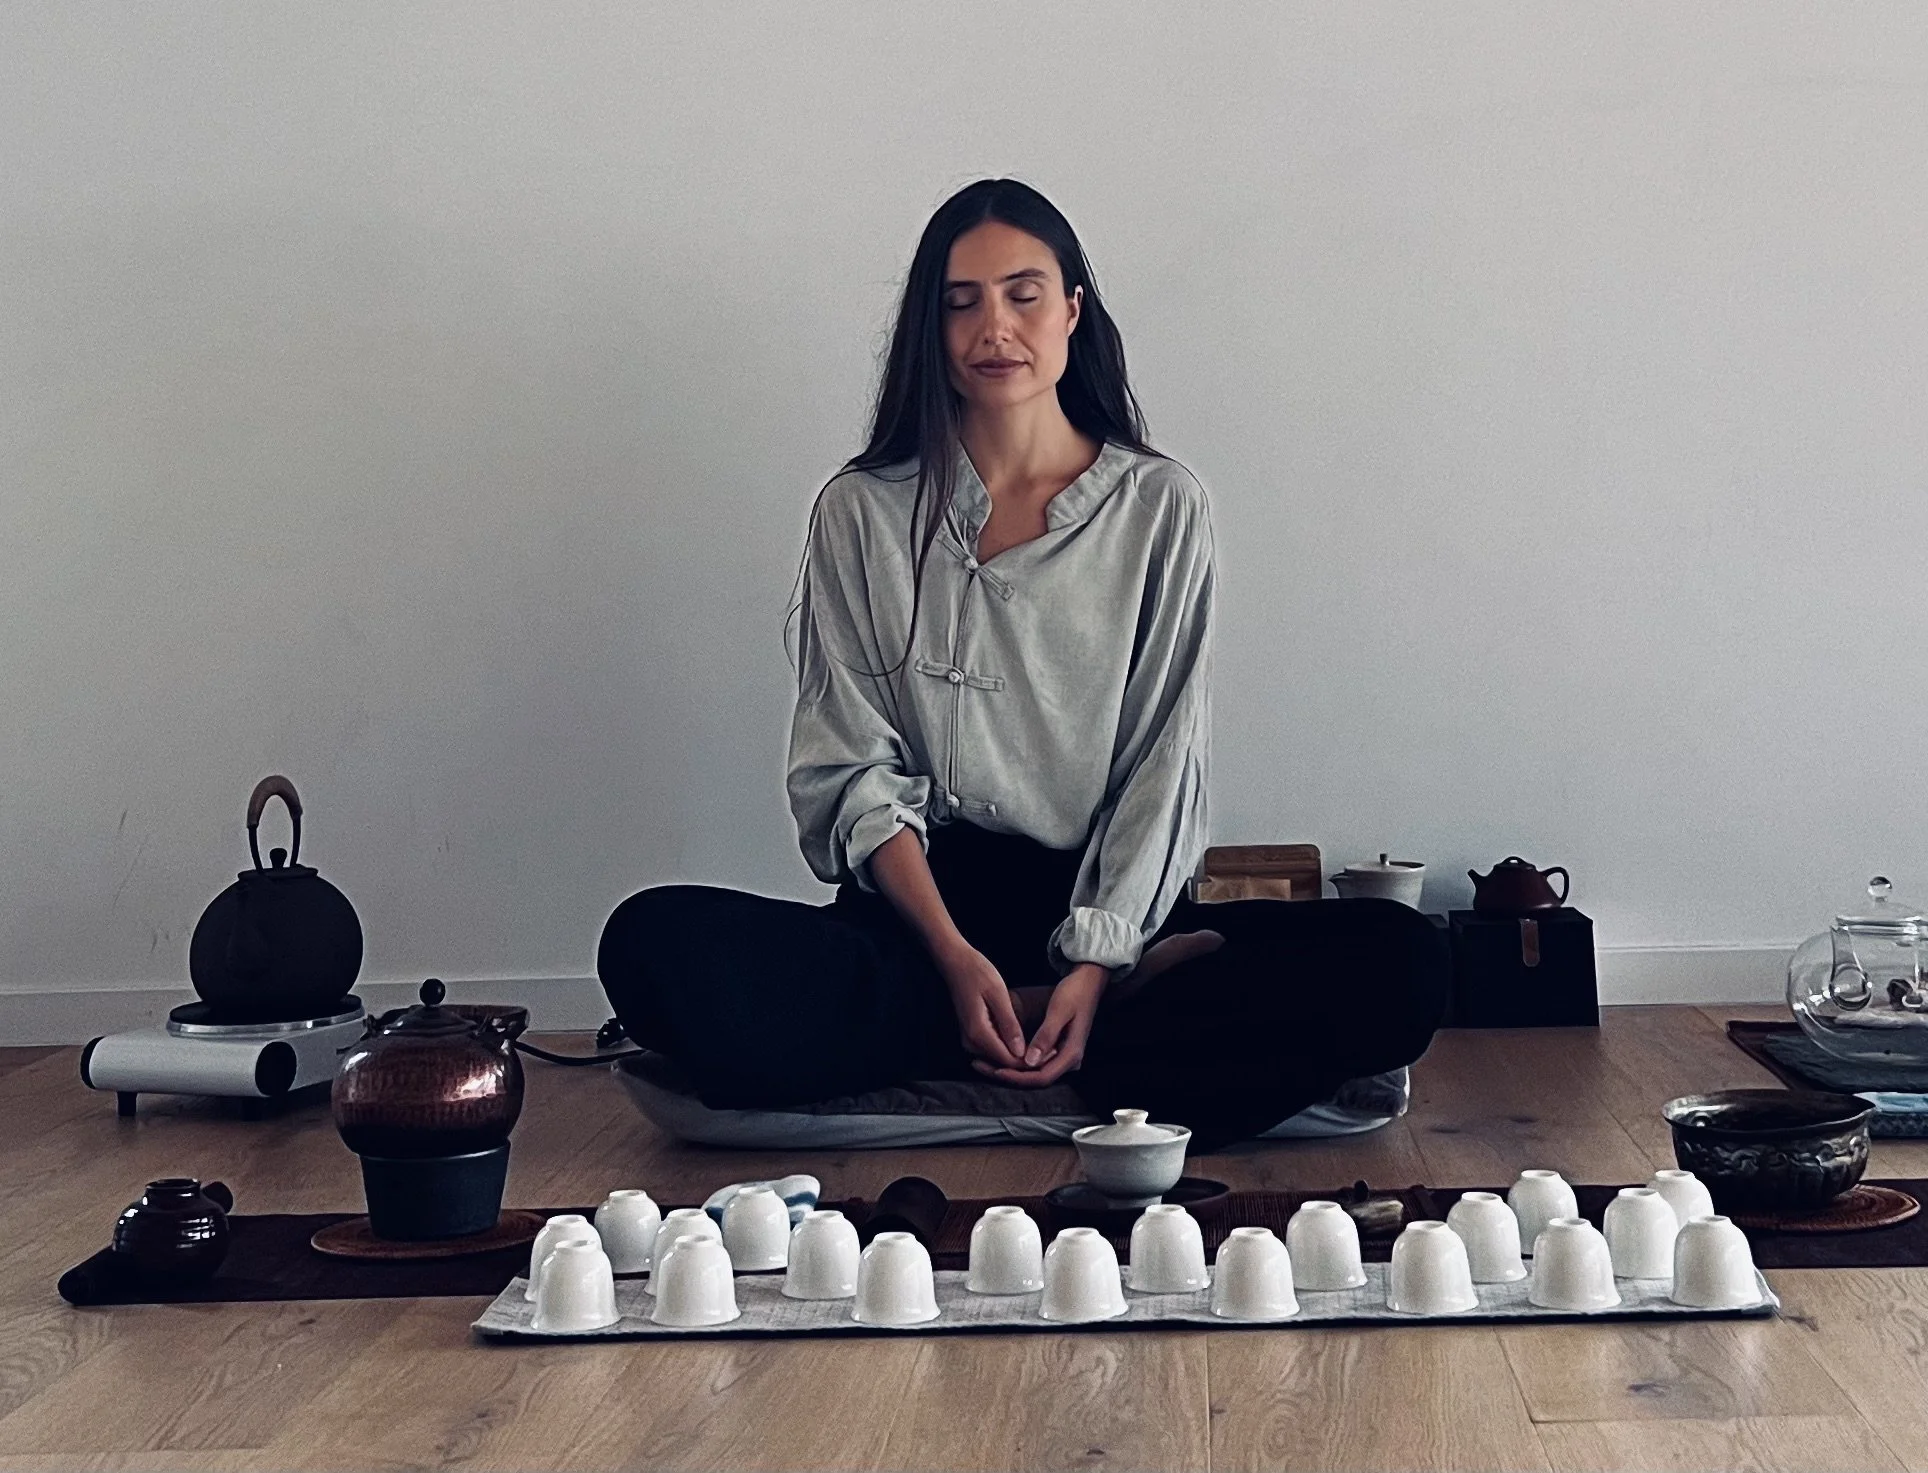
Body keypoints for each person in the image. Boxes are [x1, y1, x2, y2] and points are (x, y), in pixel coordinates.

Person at [598, 178, 1448, 1151]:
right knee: (651, 946)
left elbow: (1161, 765)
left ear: (1073, 311)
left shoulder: (1160, 507)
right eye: (958, 302)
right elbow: (851, 767)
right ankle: (1037, 1034)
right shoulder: (859, 513)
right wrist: (956, 963)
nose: (991, 327)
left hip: (1117, 927)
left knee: (1403, 963)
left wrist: (1096, 963)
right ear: (930, 326)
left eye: (1021, 294)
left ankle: (1075, 1016)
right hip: (917, 931)